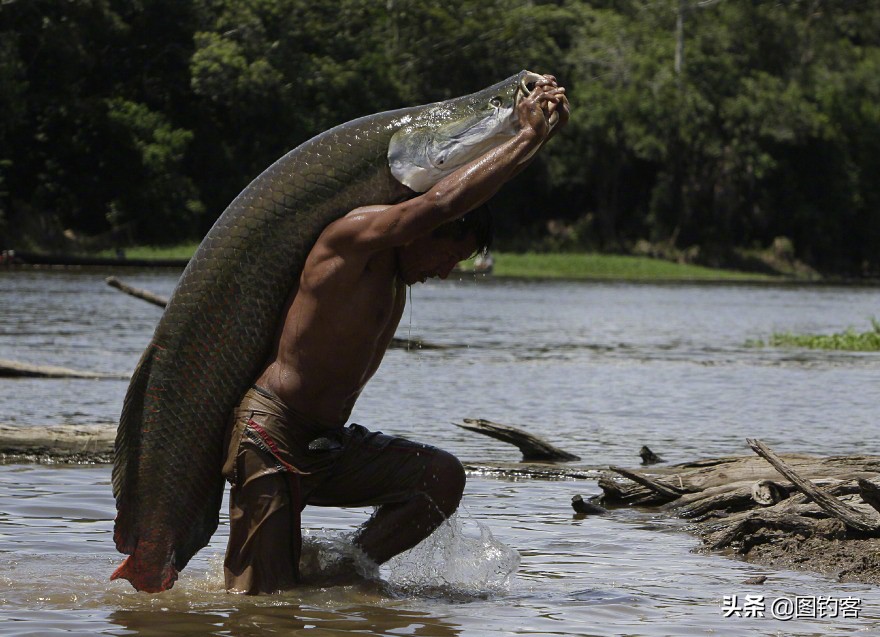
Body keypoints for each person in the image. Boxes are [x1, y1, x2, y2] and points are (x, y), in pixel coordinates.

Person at [221, 77, 569, 594]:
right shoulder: (354, 239)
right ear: (422, 231)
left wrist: (534, 132)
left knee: (440, 477)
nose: (446, 272)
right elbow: (439, 202)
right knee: (261, 607)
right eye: (448, 257)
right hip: (273, 437)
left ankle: (343, 569)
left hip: (328, 443)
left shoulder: (395, 279)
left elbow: (447, 203)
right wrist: (524, 137)